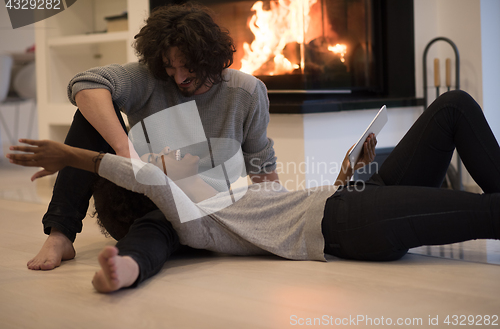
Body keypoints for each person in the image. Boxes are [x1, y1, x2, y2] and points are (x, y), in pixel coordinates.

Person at [8, 90, 500, 293]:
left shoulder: (221, 192)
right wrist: (72, 157)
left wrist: (351, 174)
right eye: (169, 157)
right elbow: (144, 236)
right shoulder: (180, 215)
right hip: (353, 225)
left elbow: (292, 209)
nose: (181, 153)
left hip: (350, 201)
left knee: (453, 106)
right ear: (159, 191)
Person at [28, 3, 280, 271]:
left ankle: (131, 262)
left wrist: (275, 223)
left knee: (172, 220)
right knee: (88, 118)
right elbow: (85, 83)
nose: (180, 77)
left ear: (210, 57)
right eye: (171, 67)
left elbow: (262, 168)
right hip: (136, 206)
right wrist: (128, 155)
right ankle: (60, 234)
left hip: (201, 215)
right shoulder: (150, 78)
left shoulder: (247, 92)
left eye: (188, 67)